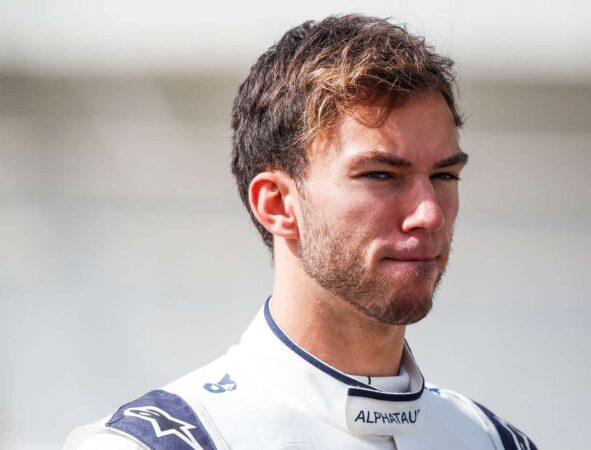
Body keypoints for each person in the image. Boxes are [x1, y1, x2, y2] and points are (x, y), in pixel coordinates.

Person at [65, 14, 538, 450]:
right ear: (277, 204)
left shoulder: (495, 441)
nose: (429, 215)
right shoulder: (155, 443)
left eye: (444, 176)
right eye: (380, 175)